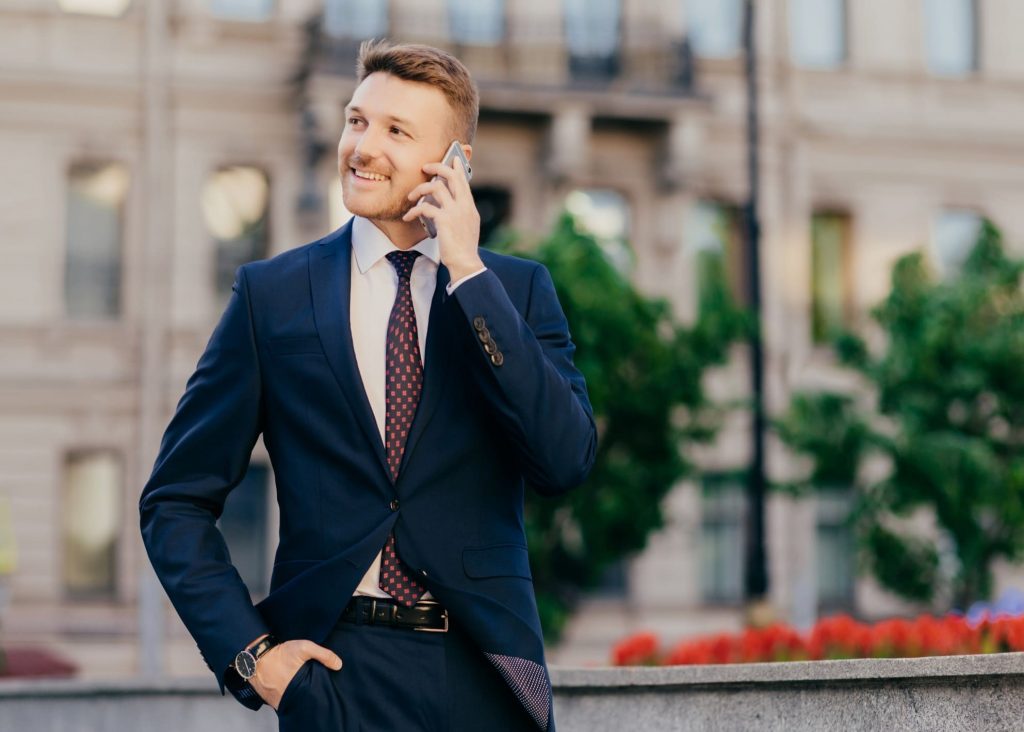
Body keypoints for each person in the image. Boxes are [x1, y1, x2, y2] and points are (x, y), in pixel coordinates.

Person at [139, 39, 596, 732]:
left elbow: (564, 460)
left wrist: (469, 274)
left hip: (481, 677)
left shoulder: (515, 292)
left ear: (454, 164)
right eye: (357, 121)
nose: (362, 146)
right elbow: (174, 501)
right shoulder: (274, 295)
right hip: (333, 678)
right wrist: (251, 656)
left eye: (395, 131)